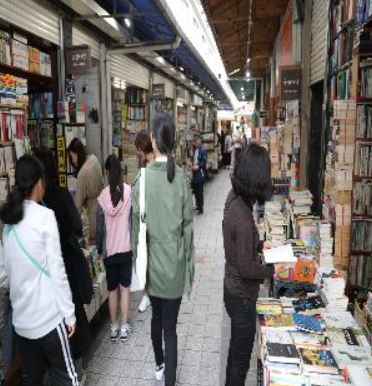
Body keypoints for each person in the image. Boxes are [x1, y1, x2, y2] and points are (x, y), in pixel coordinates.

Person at [0, 155, 78, 386]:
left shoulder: (9, 222)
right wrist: (69, 314)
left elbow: (4, 275)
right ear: (38, 183)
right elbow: (57, 271)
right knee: (67, 378)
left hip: (23, 324)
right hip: (49, 320)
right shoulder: (45, 217)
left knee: (31, 380)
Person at [132, 113, 195, 386]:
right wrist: (189, 272)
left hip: (152, 268)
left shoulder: (142, 181)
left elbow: (135, 234)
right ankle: (170, 380)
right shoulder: (181, 179)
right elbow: (188, 230)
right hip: (176, 266)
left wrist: (140, 271)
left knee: (156, 320)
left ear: (154, 140)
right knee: (171, 329)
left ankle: (159, 365)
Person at [223, 144, 283, 386]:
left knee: (234, 356)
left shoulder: (234, 198)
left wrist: (259, 246)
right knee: (240, 363)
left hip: (231, 290)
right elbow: (247, 268)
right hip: (243, 299)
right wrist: (272, 270)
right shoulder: (244, 217)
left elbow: (240, 244)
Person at [34, 148, 92, 380]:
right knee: (71, 317)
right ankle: (76, 372)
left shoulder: (30, 206)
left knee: (50, 322)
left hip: (42, 271)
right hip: (65, 262)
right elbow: (76, 226)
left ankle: (56, 373)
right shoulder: (61, 195)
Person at [97, 155, 132, 343]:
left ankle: (113, 327)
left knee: (112, 290)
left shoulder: (102, 197)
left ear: (107, 172)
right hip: (125, 248)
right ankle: (125, 327)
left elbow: (100, 228)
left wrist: (100, 250)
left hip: (110, 251)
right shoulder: (129, 192)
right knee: (125, 289)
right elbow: (132, 222)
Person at [68, 138, 103, 244]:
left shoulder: (82, 174)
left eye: (72, 156)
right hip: (102, 207)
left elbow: (77, 206)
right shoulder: (93, 159)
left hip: (92, 213)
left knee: (94, 243)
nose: (72, 160)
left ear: (77, 153)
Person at [134, 129, 154, 313]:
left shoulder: (153, 165)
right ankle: (148, 294)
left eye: (138, 150)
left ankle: (149, 295)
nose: (138, 154)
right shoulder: (146, 164)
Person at [192, 134, 207, 215]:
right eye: (195, 142)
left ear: (200, 142)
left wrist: (198, 166)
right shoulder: (195, 150)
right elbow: (194, 160)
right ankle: (197, 205)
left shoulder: (202, 150)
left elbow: (203, 162)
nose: (196, 143)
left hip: (200, 173)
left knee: (200, 192)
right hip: (195, 173)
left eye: (197, 141)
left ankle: (201, 208)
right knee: (196, 191)